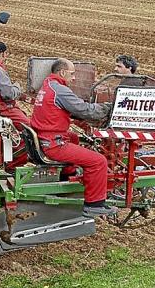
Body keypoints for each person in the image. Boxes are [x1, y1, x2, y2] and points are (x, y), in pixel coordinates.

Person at [31, 58, 116, 218]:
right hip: (53, 144)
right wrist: (107, 108)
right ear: (62, 73)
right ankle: (94, 204)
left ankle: (66, 175)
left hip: (44, 137)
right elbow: (84, 110)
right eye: (72, 73)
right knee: (99, 161)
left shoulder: (47, 85)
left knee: (74, 137)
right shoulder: (60, 90)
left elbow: (72, 108)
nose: (74, 77)